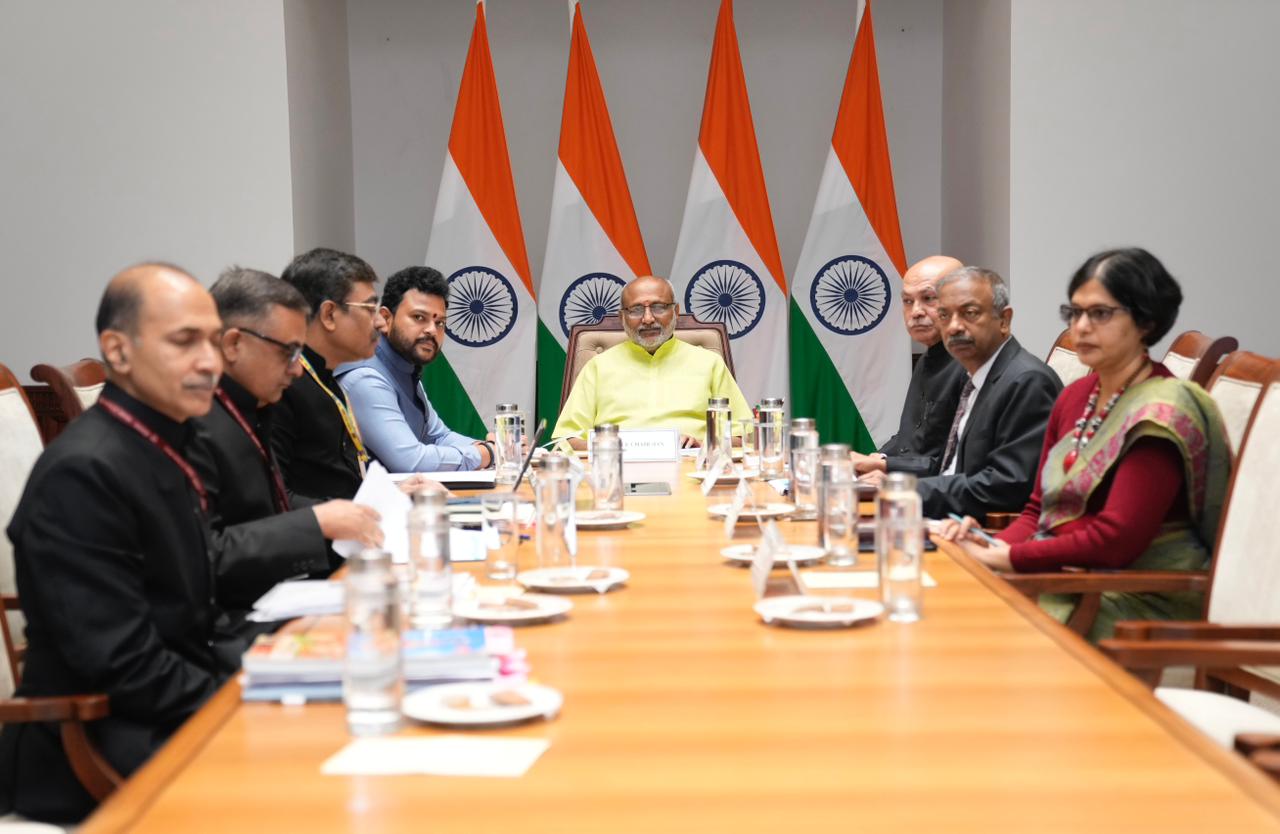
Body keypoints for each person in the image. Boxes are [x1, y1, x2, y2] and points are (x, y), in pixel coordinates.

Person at [0, 264, 240, 822]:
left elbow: (192, 611)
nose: (210, 361)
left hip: (169, 707)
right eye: (185, 341)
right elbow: (125, 667)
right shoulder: (84, 472)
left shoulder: (160, 440)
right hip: (97, 739)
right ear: (119, 350)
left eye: (213, 341)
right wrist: (247, 705)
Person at [940, 248, 1231, 641]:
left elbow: (1116, 541)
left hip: (1136, 600)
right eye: (1074, 313)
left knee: (962, 633)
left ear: (1146, 321)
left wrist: (1008, 557)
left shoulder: (1162, 411)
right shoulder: (1076, 396)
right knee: (945, 597)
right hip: (1069, 577)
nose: (1081, 327)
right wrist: (988, 543)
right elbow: (1036, 512)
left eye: (1100, 314)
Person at [192, 267, 383, 610]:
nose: (297, 370)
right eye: (288, 352)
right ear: (234, 343)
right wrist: (316, 521)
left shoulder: (253, 407)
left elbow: (269, 505)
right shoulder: (196, 423)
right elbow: (204, 554)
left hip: (277, 592)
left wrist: (334, 513)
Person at [912, 266, 1062, 518]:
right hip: (948, 518)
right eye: (944, 316)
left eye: (969, 313)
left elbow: (1008, 485)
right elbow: (953, 467)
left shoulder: (1027, 382)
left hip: (983, 531)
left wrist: (911, 493)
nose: (954, 327)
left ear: (1004, 320)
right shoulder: (975, 375)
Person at [553, 275, 751, 447]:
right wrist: (613, 444)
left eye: (658, 307)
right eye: (636, 310)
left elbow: (744, 435)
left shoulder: (709, 363)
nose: (648, 319)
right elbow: (567, 438)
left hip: (692, 468)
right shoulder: (598, 366)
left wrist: (704, 444)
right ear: (622, 317)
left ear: (676, 311)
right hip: (617, 466)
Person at [338, 266, 494, 472]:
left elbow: (438, 436)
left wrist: (496, 450)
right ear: (385, 318)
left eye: (440, 322)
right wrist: (487, 454)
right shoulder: (366, 378)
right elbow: (411, 462)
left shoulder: (405, 368)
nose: (432, 330)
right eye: (419, 317)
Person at [270, 248, 382, 500]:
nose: (380, 322)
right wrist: (351, 513)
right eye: (369, 308)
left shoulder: (327, 377)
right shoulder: (283, 384)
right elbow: (276, 497)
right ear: (329, 314)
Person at [852, 255, 968, 480]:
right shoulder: (930, 356)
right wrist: (877, 459)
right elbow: (908, 439)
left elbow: (953, 464)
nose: (916, 311)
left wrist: (887, 469)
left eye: (928, 298)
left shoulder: (972, 367)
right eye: (907, 301)